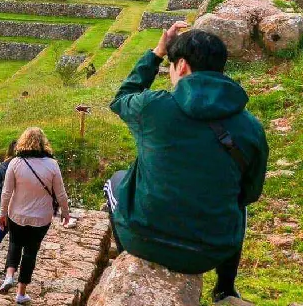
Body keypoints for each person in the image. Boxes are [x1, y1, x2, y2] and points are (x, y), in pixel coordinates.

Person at [104, 23, 268, 303]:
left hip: (143, 240)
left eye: (169, 65)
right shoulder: (250, 127)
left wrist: (156, 53)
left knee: (115, 182)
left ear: (181, 66)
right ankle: (225, 287)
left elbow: (121, 98)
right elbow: (250, 194)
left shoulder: (152, 107)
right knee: (238, 207)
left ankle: (127, 257)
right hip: (210, 252)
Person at [0, 127, 70, 304]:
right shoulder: (52, 165)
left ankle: (9, 276)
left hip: (17, 214)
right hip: (41, 218)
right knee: (30, 252)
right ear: (43, 142)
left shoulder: (15, 163)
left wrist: (2, 213)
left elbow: (6, 192)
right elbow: (60, 194)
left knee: (14, 243)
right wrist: (65, 213)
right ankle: (21, 293)